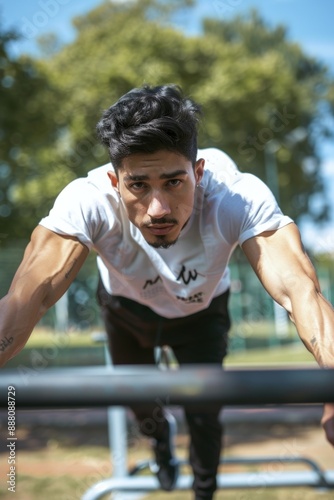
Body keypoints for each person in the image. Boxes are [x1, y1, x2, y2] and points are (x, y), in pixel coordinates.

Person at [0, 84, 333, 500]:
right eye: (138, 186)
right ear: (114, 181)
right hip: (126, 309)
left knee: (205, 414)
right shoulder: (87, 200)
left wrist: (332, 379)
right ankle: (160, 444)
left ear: (198, 173)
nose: (157, 208)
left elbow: (300, 291)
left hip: (203, 314)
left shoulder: (235, 195)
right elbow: (27, 298)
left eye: (174, 182)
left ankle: (205, 491)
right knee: (142, 407)